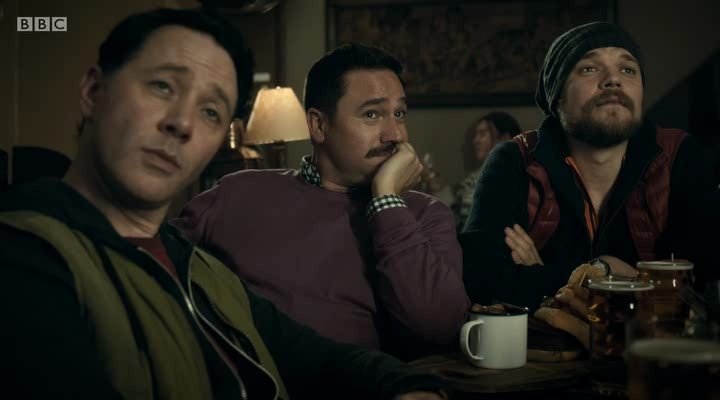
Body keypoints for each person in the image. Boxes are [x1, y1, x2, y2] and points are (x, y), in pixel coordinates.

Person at [0, 9, 448, 400]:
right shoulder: (27, 253)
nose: (182, 123)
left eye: (211, 112)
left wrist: (402, 384)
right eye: (162, 87)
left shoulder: (197, 268)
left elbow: (307, 351)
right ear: (93, 92)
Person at [173, 43, 469, 360]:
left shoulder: (424, 214)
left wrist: (387, 200)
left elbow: (441, 327)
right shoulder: (238, 192)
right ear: (318, 125)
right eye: (372, 114)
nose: (395, 134)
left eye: (399, 114)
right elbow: (150, 265)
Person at [461, 21, 720, 311]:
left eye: (628, 69)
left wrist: (544, 276)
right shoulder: (515, 161)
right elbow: (479, 279)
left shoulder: (679, 156)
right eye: (589, 68)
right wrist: (610, 272)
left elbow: (704, 287)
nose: (613, 80)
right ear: (557, 95)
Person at [453, 112, 521, 229]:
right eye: (476, 135)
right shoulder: (471, 181)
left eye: (483, 134)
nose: (476, 140)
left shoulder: (526, 176)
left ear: (504, 138)